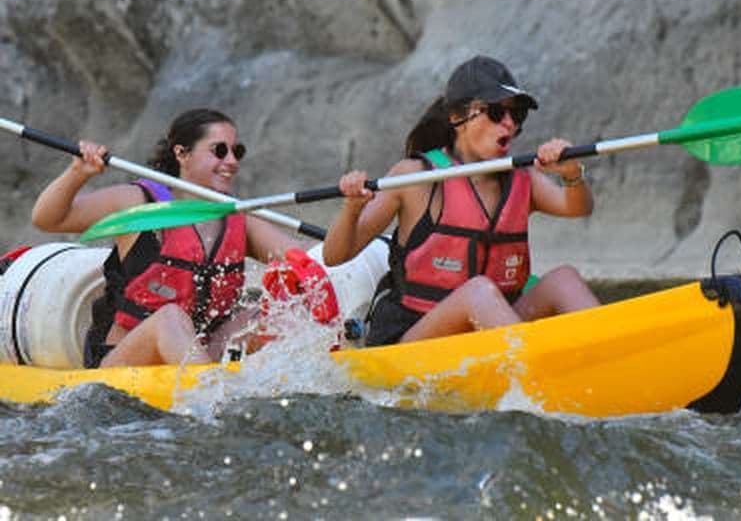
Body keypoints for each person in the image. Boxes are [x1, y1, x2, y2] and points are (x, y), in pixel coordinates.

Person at [323, 55, 599, 346]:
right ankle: (541, 369)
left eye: (516, 115)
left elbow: (578, 207)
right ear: (457, 119)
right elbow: (335, 256)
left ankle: (612, 353)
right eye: (495, 112)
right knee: (478, 291)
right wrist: (352, 209)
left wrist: (571, 173)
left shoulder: (523, 178)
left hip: (492, 331)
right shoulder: (415, 178)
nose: (508, 124)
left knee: (564, 279)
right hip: (414, 337)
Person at [32, 109, 308, 368]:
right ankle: (212, 394)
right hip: (122, 361)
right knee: (170, 318)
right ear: (182, 154)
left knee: (274, 312)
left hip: (199, 354)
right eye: (219, 151)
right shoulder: (138, 202)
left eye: (237, 152)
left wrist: (352, 211)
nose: (232, 161)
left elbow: (309, 259)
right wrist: (77, 173)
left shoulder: (237, 216)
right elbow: (48, 218)